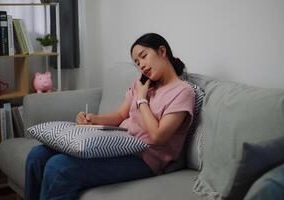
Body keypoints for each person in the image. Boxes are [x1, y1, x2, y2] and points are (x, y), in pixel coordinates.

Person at [24, 33, 195, 200]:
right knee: (37, 155)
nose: (141, 65)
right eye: (137, 62)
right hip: (118, 145)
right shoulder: (143, 83)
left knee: (59, 167)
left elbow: (158, 136)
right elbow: (121, 115)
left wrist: (142, 99)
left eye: (144, 56)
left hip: (144, 160)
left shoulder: (182, 91)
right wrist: (92, 119)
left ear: (162, 52)